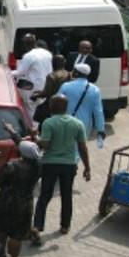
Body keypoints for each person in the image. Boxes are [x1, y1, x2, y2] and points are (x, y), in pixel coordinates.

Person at [0, 122, 42, 257]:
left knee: (1, 232)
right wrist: (11, 131)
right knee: (17, 236)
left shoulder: (11, 167)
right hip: (25, 204)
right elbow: (24, 145)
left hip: (6, 202)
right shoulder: (38, 166)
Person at [33, 95, 90, 241]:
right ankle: (65, 226)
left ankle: (37, 226)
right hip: (69, 165)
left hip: (50, 164)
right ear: (66, 107)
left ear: (51, 107)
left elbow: (45, 145)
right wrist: (87, 167)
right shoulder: (77, 124)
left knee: (44, 195)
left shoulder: (48, 123)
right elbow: (83, 148)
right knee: (66, 196)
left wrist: (36, 138)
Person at [59, 63, 106, 147]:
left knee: (66, 147)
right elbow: (98, 112)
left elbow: (56, 103)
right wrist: (100, 129)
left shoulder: (65, 87)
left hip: (66, 122)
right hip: (85, 124)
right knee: (80, 147)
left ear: (76, 73)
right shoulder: (95, 90)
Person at [12, 34, 53, 117]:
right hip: (45, 87)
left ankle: (31, 128)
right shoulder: (47, 53)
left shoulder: (29, 56)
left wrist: (6, 72)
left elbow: (20, 72)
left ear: (24, 44)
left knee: (30, 111)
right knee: (38, 111)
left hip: (31, 88)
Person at [30, 54, 70, 127]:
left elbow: (47, 93)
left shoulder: (52, 76)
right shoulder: (68, 74)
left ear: (53, 63)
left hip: (52, 104)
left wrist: (36, 95)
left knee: (41, 117)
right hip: (65, 103)